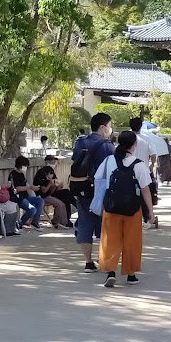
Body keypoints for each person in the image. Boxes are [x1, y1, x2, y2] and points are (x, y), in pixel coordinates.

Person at [91, 128, 153, 288]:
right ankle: (131, 274)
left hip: (111, 208)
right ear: (134, 145)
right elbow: (146, 190)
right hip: (132, 209)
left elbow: (98, 179)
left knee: (109, 240)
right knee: (132, 241)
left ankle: (110, 272)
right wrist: (151, 212)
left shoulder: (108, 161)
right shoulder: (139, 165)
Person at [69, 112, 115, 270]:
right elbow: (112, 167)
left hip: (82, 187)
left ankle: (88, 261)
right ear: (103, 127)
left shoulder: (80, 142)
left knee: (85, 223)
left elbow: (75, 160)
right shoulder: (107, 145)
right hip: (101, 190)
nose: (111, 128)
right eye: (110, 125)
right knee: (105, 225)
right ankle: (104, 259)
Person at [128, 116, 169, 227]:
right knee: (145, 194)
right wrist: (151, 165)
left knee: (129, 194)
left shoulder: (128, 137)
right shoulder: (147, 138)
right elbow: (153, 154)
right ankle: (147, 219)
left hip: (128, 169)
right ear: (141, 126)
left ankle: (131, 217)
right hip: (144, 169)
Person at [33, 156, 72, 226]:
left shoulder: (51, 172)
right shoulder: (41, 174)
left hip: (49, 194)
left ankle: (65, 221)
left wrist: (55, 186)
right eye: (52, 162)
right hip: (42, 196)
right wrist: (50, 184)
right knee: (60, 203)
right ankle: (56, 221)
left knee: (65, 196)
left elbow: (53, 188)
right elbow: (44, 191)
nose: (54, 164)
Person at [9, 156, 44, 229]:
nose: (26, 168)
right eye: (25, 166)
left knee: (40, 201)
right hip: (18, 197)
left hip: (25, 196)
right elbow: (17, 188)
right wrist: (30, 187)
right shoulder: (13, 174)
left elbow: (25, 184)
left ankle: (35, 221)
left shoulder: (21, 174)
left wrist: (33, 188)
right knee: (32, 209)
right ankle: (20, 222)